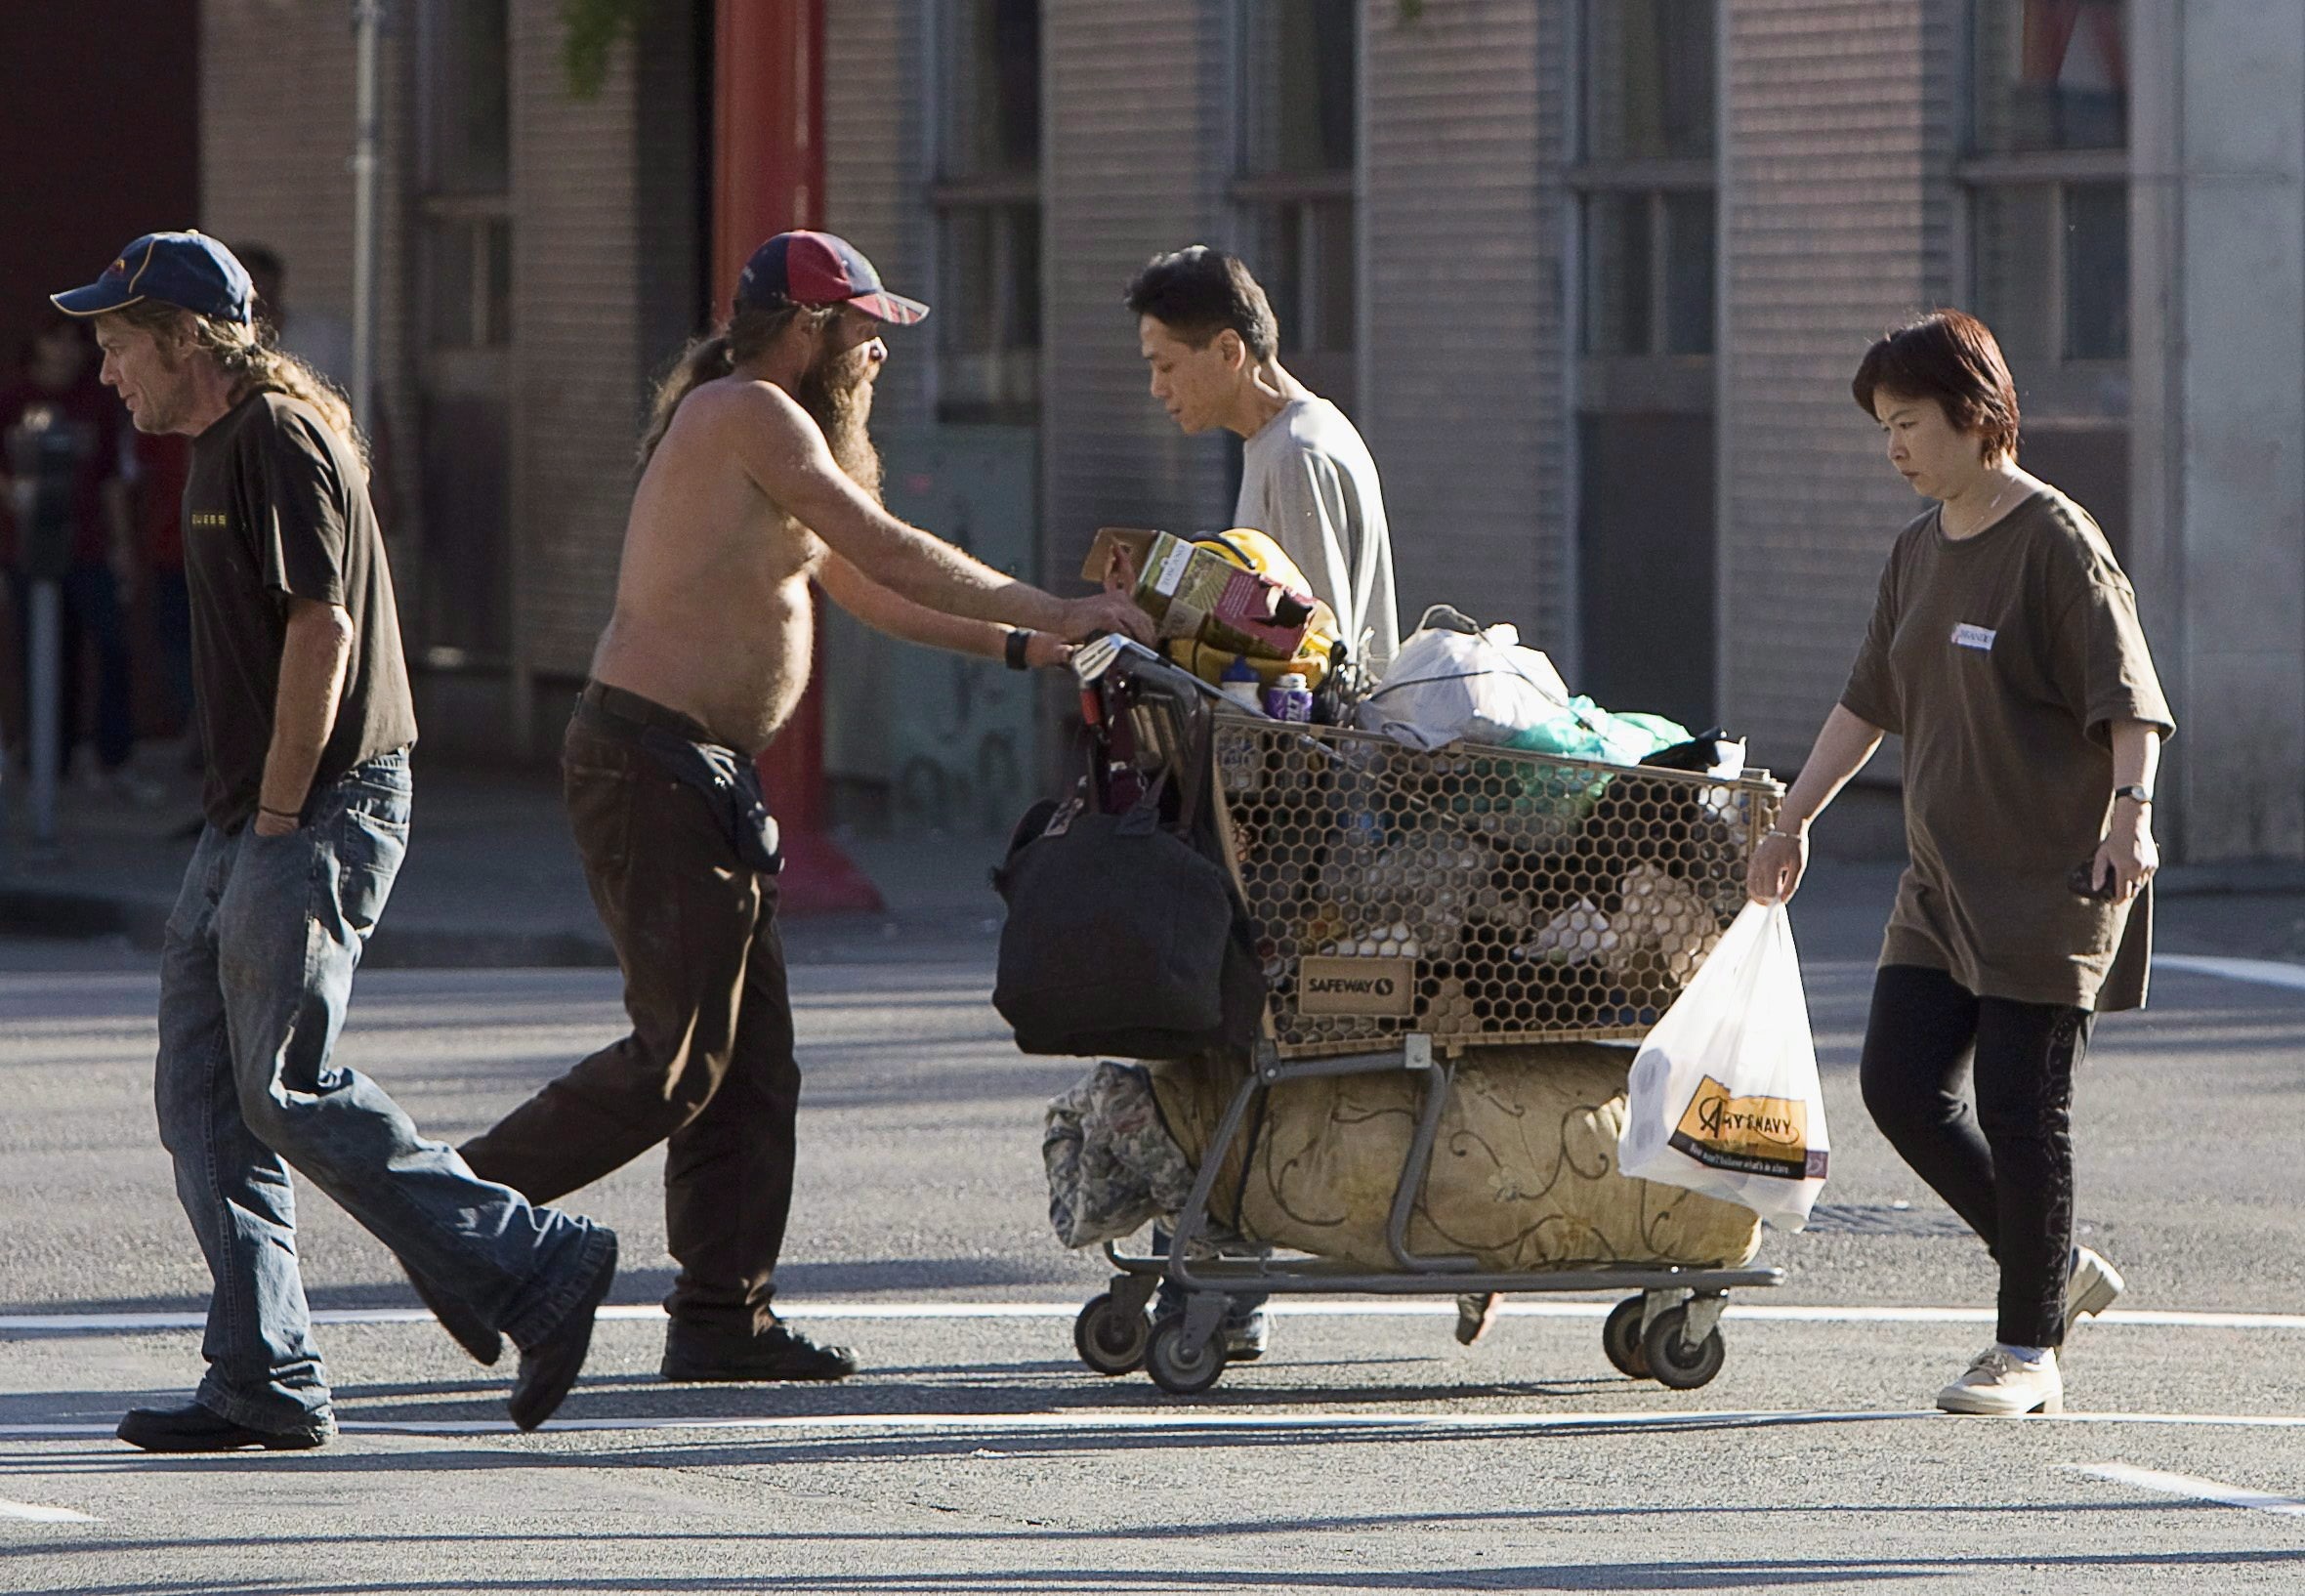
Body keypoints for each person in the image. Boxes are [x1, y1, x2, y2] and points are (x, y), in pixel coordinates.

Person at [435, 230, 1149, 1385]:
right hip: (649, 764)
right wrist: (1061, 609)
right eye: (865, 331)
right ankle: (450, 1215)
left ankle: (722, 1315)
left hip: (696, 772)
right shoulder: (749, 412)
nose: (877, 354)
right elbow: (886, 543)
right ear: (809, 327)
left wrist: (1031, 644)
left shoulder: (766, 426)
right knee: (682, 1059)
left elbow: (866, 586)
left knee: (752, 1067)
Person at [58, 231, 617, 1449]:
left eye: (116, 344)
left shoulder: (276, 433)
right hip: (250, 813)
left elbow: (327, 629)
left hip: (316, 807)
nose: (105, 372)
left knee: (284, 1085)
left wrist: (274, 811)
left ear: (186, 339)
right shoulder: (220, 440)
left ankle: (537, 1261)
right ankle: (262, 1370)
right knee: (206, 1097)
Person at [1747, 309, 2172, 1418]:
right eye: (1882, 427)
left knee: (2022, 1107)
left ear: (1976, 418)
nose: (1894, 446)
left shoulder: (2054, 540)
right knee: (1894, 1083)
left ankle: (2026, 1349)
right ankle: (2052, 1264)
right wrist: (1789, 817)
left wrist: (2129, 812)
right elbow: (1865, 703)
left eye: (1908, 423)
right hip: (1939, 884)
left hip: (2049, 880)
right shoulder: (1915, 548)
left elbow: (2129, 701)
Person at [1126, 245, 1400, 676]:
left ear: (1229, 351)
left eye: (1166, 366)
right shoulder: (1282, 440)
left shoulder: (1296, 453)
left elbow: (1316, 652)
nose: (1156, 388)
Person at [0, 315, 152, 801]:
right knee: (44, 651)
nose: (65, 352)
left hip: (87, 546)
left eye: (73, 343)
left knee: (111, 647)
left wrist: (122, 545)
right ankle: (50, 756)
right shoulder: (12, 400)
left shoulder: (95, 404)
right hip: (27, 548)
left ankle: (111, 756)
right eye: (54, 340)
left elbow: (111, 478)